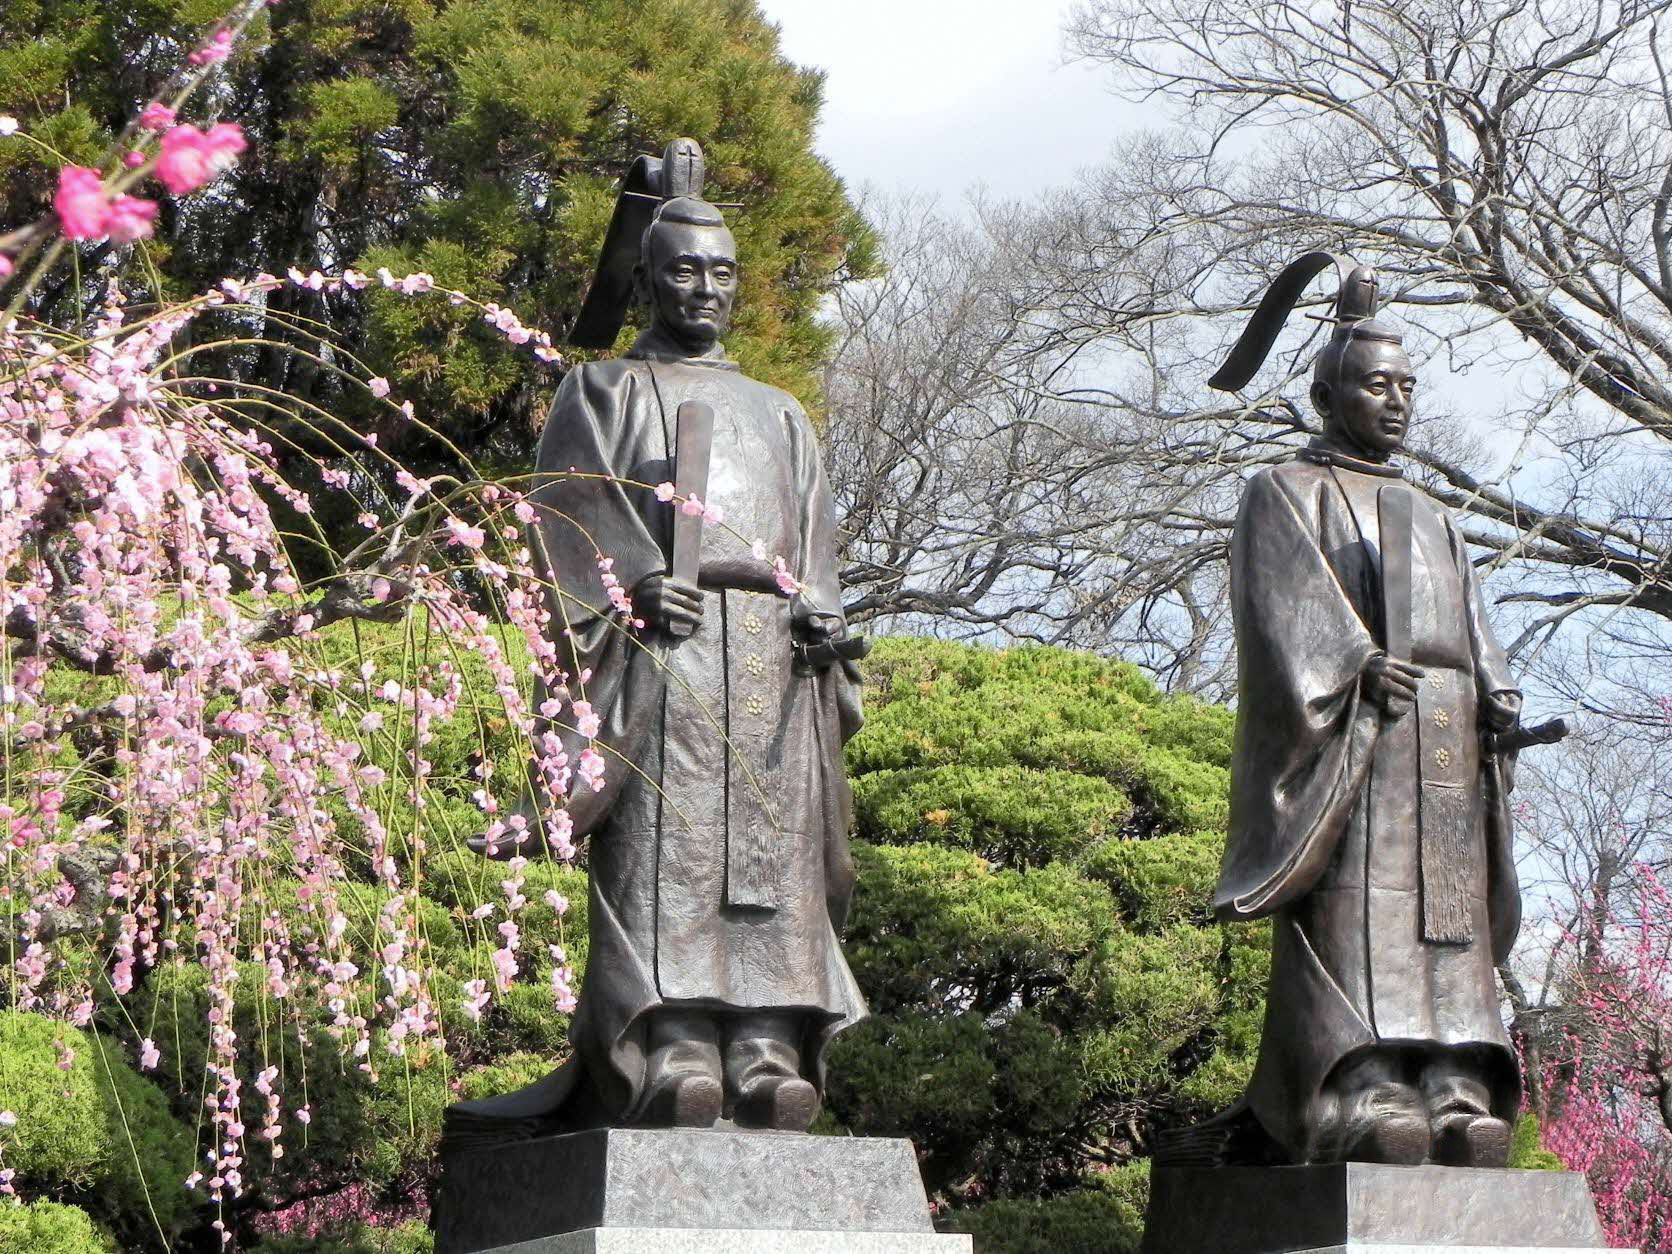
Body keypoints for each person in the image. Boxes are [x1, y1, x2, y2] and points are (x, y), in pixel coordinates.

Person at [445, 142, 865, 1144]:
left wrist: (822, 618)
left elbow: (814, 547)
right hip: (661, 652)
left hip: (767, 658)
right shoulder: (603, 389)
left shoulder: (783, 415)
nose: (705, 289)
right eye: (684, 268)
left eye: (723, 272)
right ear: (646, 277)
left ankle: (766, 1045)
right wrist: (634, 583)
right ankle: (669, 1043)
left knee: (771, 855)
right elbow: (570, 509)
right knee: (665, 848)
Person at [1176, 255, 1525, 1168]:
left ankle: (1455, 1087)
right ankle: (1359, 1087)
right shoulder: (1285, 490)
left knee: (1449, 920)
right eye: (1378, 385)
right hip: (1356, 739)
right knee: (1359, 916)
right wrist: (1359, 665)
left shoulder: (1431, 510)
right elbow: (1282, 611)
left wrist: (1496, 693)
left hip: (1443, 744)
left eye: (1409, 386)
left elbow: (1473, 623)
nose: (1399, 403)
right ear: (1331, 395)